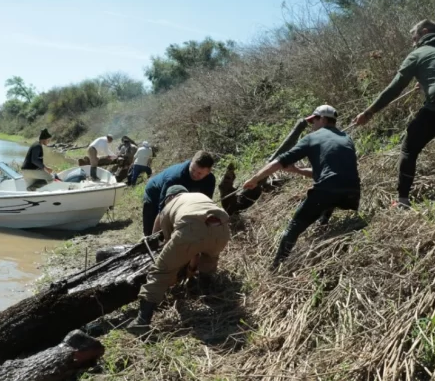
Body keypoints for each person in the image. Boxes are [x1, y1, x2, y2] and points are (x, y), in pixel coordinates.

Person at [353, 19, 435, 208]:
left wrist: (369, 112)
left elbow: (394, 88)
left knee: (409, 148)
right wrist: (425, 80)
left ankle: (402, 200)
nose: (413, 42)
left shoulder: (417, 54)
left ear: (424, 32)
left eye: (414, 37)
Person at [244, 105, 361, 271]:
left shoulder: (312, 138)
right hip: (353, 191)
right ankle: (322, 226)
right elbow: (329, 173)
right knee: (331, 196)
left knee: (292, 229)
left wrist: (255, 179)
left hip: (328, 191)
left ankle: (276, 268)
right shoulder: (346, 138)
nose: (312, 124)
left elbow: (279, 161)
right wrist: (297, 170)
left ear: (322, 119)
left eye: (314, 120)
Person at [127, 185, 231, 334]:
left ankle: (141, 322)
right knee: (209, 259)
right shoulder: (198, 196)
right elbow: (197, 249)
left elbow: (174, 246)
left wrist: (179, 271)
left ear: (169, 198)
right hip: (222, 229)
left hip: (190, 229)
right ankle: (209, 295)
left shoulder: (168, 207)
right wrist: (192, 269)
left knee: (160, 272)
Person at [141, 150, 216, 236]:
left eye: (199, 173)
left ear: (208, 172)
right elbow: (163, 211)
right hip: (154, 193)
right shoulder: (175, 178)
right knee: (153, 231)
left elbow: (205, 204)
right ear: (191, 162)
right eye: (193, 169)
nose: (195, 174)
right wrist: (154, 236)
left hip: (181, 195)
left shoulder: (210, 180)